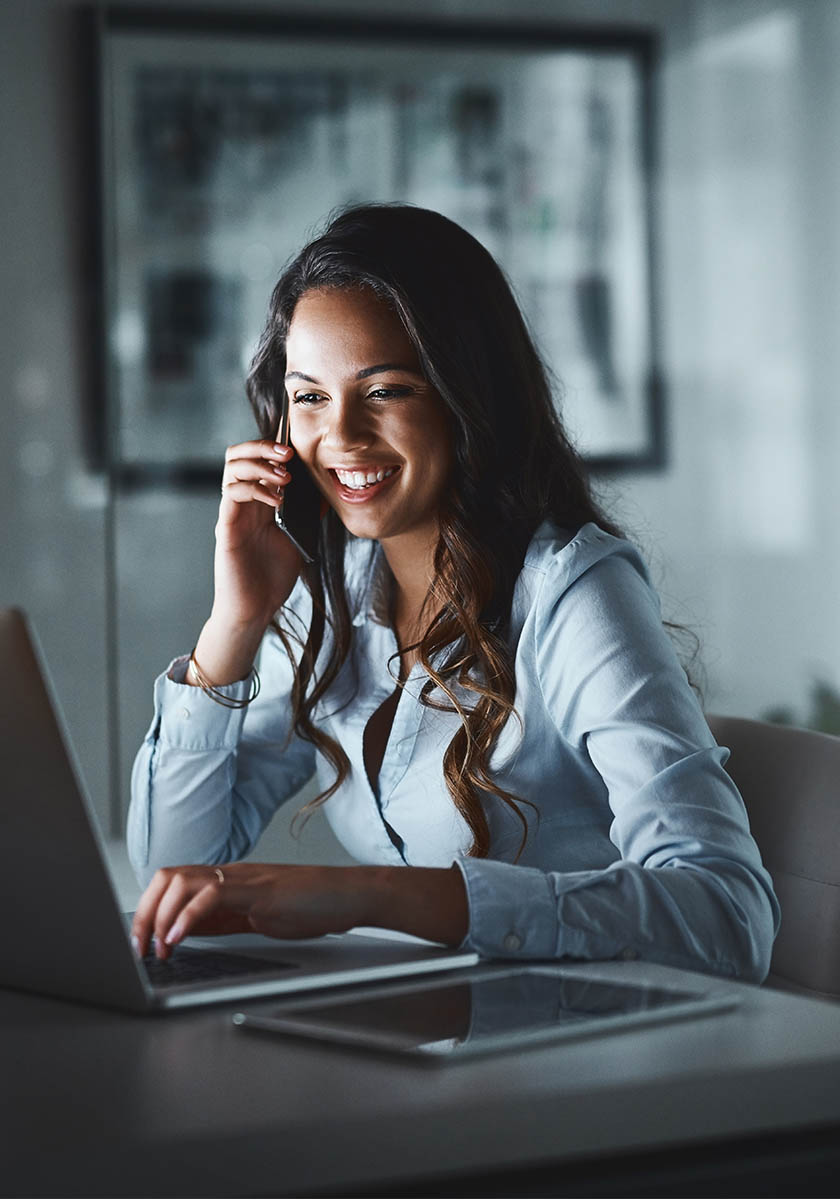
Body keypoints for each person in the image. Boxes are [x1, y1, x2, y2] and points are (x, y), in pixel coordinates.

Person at [127, 203, 778, 983]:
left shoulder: (574, 595)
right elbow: (172, 874)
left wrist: (373, 896)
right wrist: (231, 627)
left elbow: (728, 914)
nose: (341, 437)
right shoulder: (336, 593)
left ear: (465, 396)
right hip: (429, 1038)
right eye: (308, 397)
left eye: (386, 390)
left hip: (578, 1059)